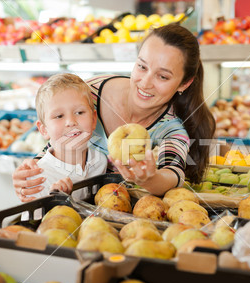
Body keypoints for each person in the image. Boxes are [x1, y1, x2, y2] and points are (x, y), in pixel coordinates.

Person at [12, 24, 216, 201]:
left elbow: (172, 175)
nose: (145, 83)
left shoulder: (171, 130)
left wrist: (148, 178)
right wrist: (33, 172)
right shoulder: (88, 94)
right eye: (141, 66)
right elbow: (58, 137)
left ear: (184, 83)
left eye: (162, 76)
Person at [27, 73, 107, 201]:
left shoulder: (100, 162)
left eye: (79, 112)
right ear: (43, 129)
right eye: (59, 116)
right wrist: (55, 201)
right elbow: (33, 221)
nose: (71, 122)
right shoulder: (38, 179)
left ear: (93, 120)